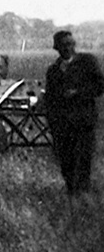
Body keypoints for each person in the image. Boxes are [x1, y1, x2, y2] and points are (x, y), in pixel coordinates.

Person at [41, 30, 104, 196]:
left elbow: (99, 86)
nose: (68, 48)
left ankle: (82, 195)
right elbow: (50, 98)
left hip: (83, 121)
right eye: (64, 45)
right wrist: (52, 122)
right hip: (63, 125)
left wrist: (78, 92)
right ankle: (72, 193)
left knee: (83, 160)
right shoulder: (53, 70)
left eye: (70, 44)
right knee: (66, 161)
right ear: (56, 47)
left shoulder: (88, 62)